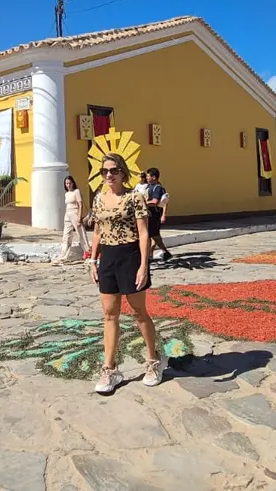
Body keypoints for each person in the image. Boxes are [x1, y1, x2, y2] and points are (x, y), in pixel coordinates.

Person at [86, 152, 163, 395]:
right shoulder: (98, 199)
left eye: (113, 170)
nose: (109, 175)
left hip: (130, 256)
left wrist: (143, 265)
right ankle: (110, 369)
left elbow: (143, 233)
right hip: (107, 258)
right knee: (110, 314)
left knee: (139, 312)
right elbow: (97, 232)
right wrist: (92, 261)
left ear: (123, 172)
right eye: (104, 171)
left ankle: (154, 361)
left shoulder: (134, 197)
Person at [54, 176, 90, 264]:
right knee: (66, 235)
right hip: (67, 213)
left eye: (70, 183)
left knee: (81, 233)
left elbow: (80, 204)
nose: (68, 185)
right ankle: (63, 255)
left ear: (73, 183)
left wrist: (79, 217)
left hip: (75, 212)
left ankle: (88, 252)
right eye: (67, 183)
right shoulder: (67, 193)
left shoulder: (76, 191)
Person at [143, 168, 173, 262]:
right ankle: (162, 252)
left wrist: (143, 203)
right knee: (153, 235)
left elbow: (155, 202)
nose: (147, 178)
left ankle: (149, 255)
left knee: (152, 235)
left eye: (148, 176)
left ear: (154, 177)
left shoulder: (158, 188)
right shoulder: (149, 186)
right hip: (149, 215)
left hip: (154, 215)